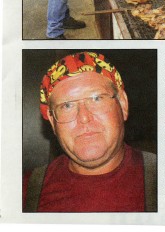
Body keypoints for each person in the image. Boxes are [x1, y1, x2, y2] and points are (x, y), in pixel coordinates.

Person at [23, 52, 157, 212]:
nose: (84, 117)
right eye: (66, 106)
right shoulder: (23, 193)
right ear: (52, 122)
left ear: (123, 105)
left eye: (96, 99)